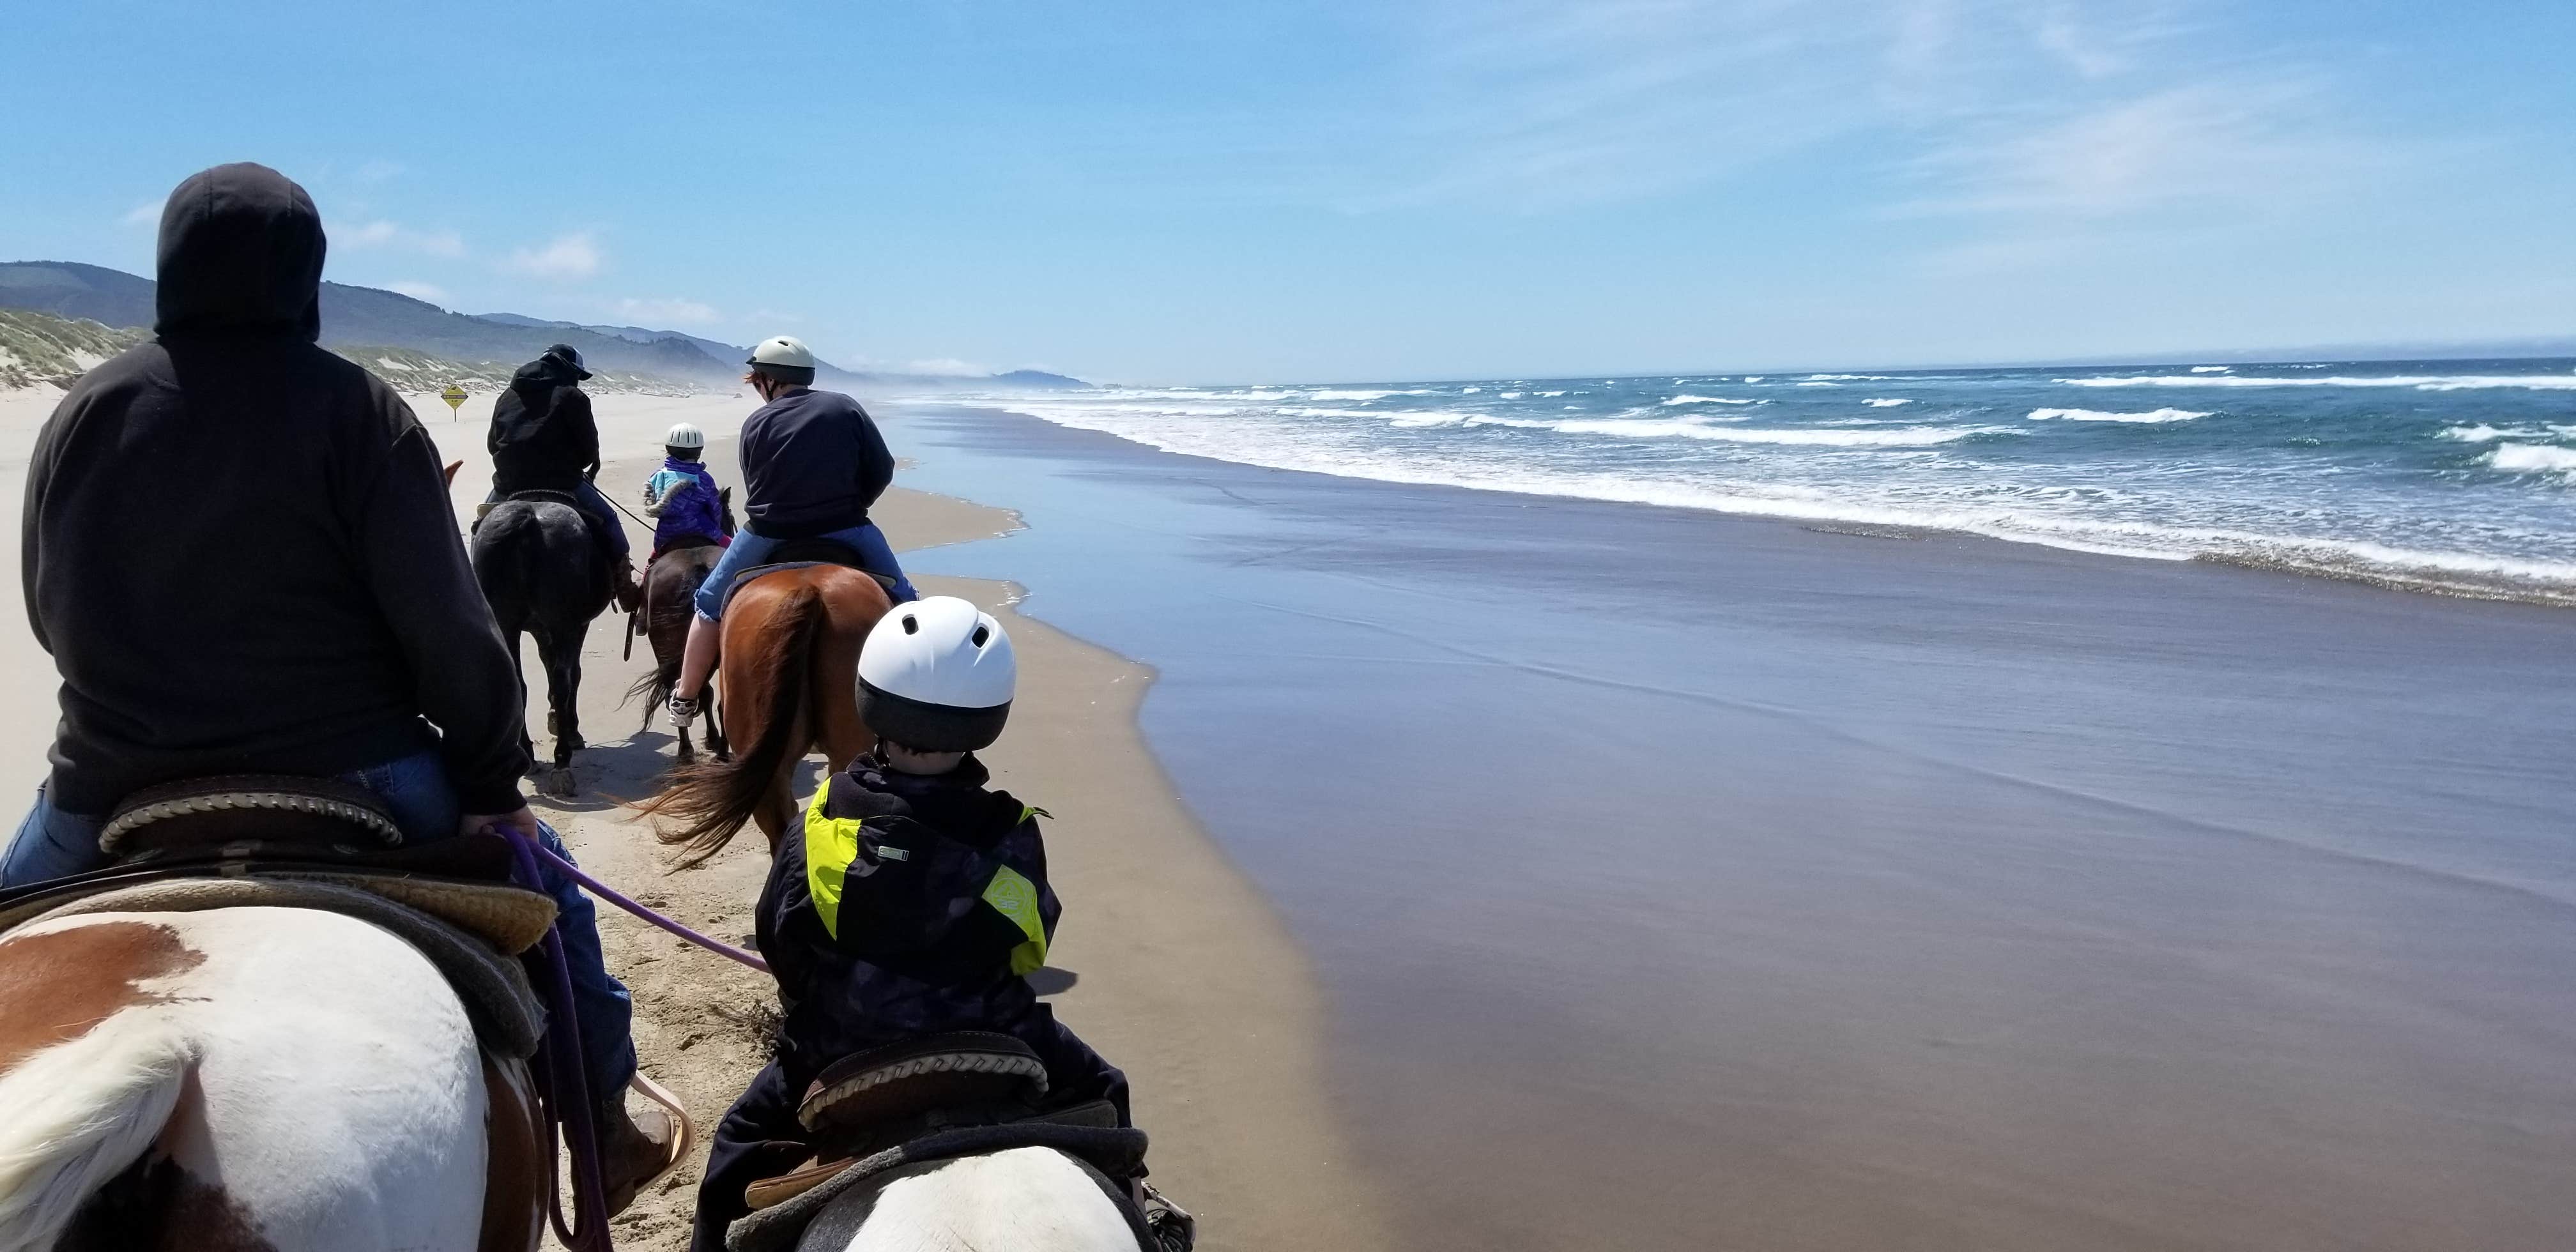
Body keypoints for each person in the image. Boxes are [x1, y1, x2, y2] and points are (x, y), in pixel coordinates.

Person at [6, 162, 675, 1211]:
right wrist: (496, 777)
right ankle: (612, 1122)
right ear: (306, 277)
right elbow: (451, 633)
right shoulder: (360, 409)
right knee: (554, 910)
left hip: (110, 776)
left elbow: (50, 609)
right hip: (361, 766)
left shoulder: (87, 406)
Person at [689, 597, 1163, 1252]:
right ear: (987, 719)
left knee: (735, 1148)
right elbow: (1030, 946)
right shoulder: (1012, 831)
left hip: (842, 1043)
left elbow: (782, 942)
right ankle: (1141, 1205)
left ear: (869, 700)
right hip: (998, 1029)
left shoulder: (820, 823)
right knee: (1108, 1091)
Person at [666, 335, 918, 732]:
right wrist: (855, 506)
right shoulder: (846, 406)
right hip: (847, 527)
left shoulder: (755, 423)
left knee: (709, 603)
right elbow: (882, 468)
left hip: (769, 532)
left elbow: (755, 482)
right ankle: (915, 694)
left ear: (767, 380)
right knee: (905, 598)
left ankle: (686, 695)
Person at [485, 342, 641, 610]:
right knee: (610, 522)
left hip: (510, 483)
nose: (578, 383)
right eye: (578, 377)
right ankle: (625, 590)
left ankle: (471, 591)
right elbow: (588, 451)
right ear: (570, 371)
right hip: (562, 482)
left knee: (482, 528)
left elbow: (492, 443)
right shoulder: (573, 397)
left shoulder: (507, 396)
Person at [640, 421, 729, 554]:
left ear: (668, 449)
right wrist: (717, 529)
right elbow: (715, 510)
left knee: (653, 562)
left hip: (665, 537)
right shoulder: (704, 479)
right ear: (698, 452)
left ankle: (646, 573)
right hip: (704, 532)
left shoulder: (658, 476)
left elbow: (656, 506)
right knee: (734, 551)